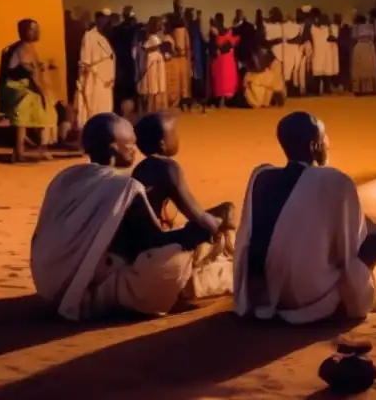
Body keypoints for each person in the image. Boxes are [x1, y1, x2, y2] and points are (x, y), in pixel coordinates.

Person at [30, 113, 233, 321]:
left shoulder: (66, 178)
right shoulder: (124, 188)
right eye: (129, 145)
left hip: (47, 283)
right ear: (114, 149)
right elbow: (153, 244)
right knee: (171, 262)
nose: (135, 150)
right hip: (86, 286)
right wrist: (195, 232)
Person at [233, 111, 376, 323]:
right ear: (314, 146)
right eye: (324, 137)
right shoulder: (336, 181)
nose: (328, 143)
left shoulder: (261, 175)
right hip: (303, 294)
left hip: (261, 292)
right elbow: (347, 249)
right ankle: (349, 297)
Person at [131, 111, 235, 236]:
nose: (177, 137)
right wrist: (220, 228)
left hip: (138, 239)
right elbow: (199, 216)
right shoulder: (168, 168)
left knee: (221, 213)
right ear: (162, 144)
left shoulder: (142, 167)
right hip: (153, 244)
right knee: (226, 211)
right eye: (173, 133)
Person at [0, 19, 60, 162]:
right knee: (33, 110)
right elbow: (25, 72)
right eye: (33, 29)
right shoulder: (21, 49)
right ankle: (21, 152)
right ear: (24, 31)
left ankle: (33, 148)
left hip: (24, 86)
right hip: (18, 88)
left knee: (43, 110)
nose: (37, 32)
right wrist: (42, 92)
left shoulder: (26, 47)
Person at [75, 11, 116, 131]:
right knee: (93, 109)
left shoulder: (103, 37)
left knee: (105, 109)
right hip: (94, 79)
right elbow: (85, 60)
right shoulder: (89, 36)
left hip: (106, 81)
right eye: (103, 18)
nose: (105, 21)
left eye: (107, 19)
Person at [138, 16, 168, 113]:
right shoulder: (152, 39)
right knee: (152, 88)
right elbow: (146, 49)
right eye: (159, 24)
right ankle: (150, 111)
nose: (161, 26)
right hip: (152, 65)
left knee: (155, 89)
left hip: (156, 64)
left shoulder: (155, 38)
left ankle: (154, 110)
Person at [210, 13, 239, 106]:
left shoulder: (215, 31)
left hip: (220, 59)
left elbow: (213, 45)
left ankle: (221, 100)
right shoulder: (229, 31)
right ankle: (226, 100)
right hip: (228, 58)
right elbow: (231, 43)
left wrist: (219, 49)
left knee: (220, 79)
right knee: (227, 79)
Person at [166, 10, 192, 111]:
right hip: (180, 59)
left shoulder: (180, 31)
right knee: (182, 82)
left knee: (181, 82)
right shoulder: (179, 31)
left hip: (179, 59)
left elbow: (187, 47)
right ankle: (181, 103)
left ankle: (182, 103)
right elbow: (187, 47)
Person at [351, 14, 376, 95]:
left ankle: (359, 89)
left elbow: (354, 38)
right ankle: (371, 89)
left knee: (359, 69)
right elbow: (375, 37)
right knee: (370, 68)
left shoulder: (355, 28)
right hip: (369, 47)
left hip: (359, 47)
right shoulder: (370, 27)